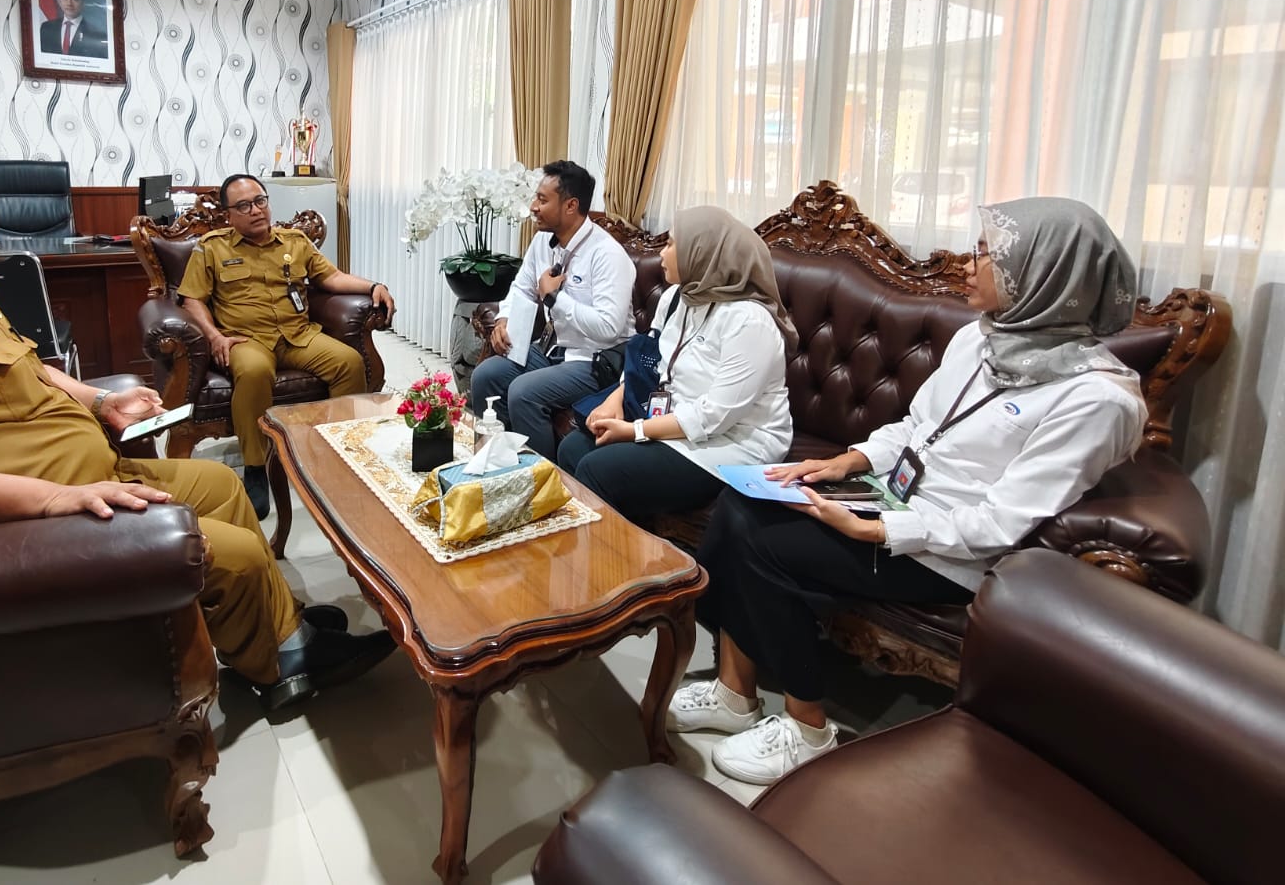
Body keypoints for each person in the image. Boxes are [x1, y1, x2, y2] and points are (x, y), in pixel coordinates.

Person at [0, 144, 393, 713]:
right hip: (32, 511)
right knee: (235, 553)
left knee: (221, 485)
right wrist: (54, 499)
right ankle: (283, 663)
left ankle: (279, 626)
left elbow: (28, 370)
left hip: (92, 468)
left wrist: (100, 402)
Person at [668, 197, 1147, 786]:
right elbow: (916, 427)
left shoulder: (1098, 399)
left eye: (986, 254)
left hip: (946, 552)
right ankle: (734, 692)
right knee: (745, 500)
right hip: (889, 496)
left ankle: (809, 729)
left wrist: (877, 530)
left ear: (1043, 275)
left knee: (764, 545)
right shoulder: (981, 338)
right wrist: (846, 461)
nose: (966, 263)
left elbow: (1000, 523)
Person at [177, 173, 396, 516]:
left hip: (297, 334)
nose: (255, 210)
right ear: (228, 215)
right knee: (253, 372)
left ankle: (336, 452)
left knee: (348, 362)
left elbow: (331, 277)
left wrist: (373, 286)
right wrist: (215, 336)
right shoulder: (212, 247)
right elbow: (192, 299)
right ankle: (255, 468)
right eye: (244, 206)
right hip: (246, 338)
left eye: (260, 201)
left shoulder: (295, 241)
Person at [556, 206, 794, 522]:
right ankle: (621, 540)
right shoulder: (677, 298)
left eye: (670, 244)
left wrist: (634, 430)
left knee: (598, 469)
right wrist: (615, 400)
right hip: (673, 419)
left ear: (701, 254)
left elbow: (715, 415)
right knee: (573, 449)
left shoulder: (749, 321)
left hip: (731, 444)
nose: (661, 253)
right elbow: (650, 363)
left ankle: (618, 551)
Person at [469, 160, 636, 459]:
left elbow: (609, 328)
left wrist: (555, 299)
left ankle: (539, 476)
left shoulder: (607, 255)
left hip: (593, 361)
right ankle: (495, 461)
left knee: (524, 392)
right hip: (550, 351)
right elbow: (521, 287)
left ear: (571, 206)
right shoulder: (542, 242)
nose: (533, 207)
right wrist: (504, 318)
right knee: (486, 375)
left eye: (542, 200)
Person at [39, 0, 109, 57]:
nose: (69, 3)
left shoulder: (96, 35)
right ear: (58, 1)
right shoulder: (46, 28)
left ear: (83, 2)